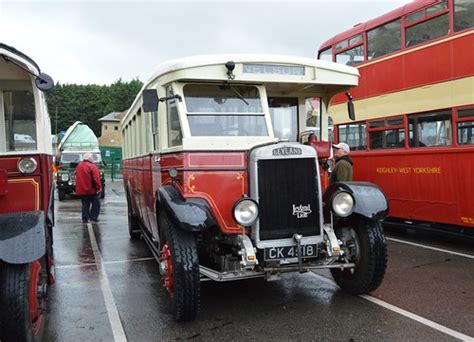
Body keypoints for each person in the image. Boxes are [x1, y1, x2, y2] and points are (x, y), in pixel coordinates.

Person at [75, 152, 102, 223]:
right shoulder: (92, 166)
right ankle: (93, 217)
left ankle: (85, 218)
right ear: (89, 158)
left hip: (81, 190)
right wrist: (99, 187)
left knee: (85, 204)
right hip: (91, 189)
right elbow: (96, 178)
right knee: (96, 204)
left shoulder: (79, 166)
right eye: (92, 157)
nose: (93, 158)